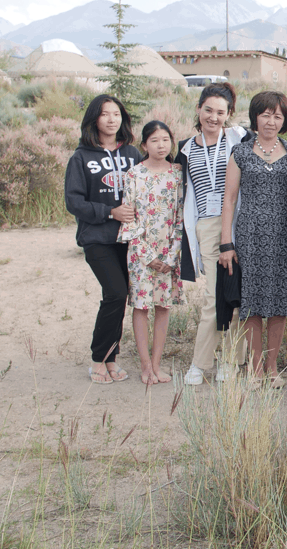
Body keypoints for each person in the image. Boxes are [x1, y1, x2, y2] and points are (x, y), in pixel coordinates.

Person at [219, 91, 287, 388]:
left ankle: (272, 368)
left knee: (280, 303)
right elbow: (229, 200)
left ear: (285, 120)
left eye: (278, 116)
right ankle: (254, 369)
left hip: (285, 235)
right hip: (249, 235)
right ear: (255, 116)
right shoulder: (240, 152)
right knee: (253, 303)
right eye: (266, 114)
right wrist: (226, 243)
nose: (271, 121)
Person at [65, 95, 140, 384]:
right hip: (97, 237)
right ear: (94, 118)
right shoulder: (81, 157)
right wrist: (110, 212)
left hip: (128, 239)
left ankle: (111, 358)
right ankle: (98, 359)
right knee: (116, 293)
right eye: (105, 114)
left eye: (117, 114)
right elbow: (74, 202)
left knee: (120, 299)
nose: (112, 119)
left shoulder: (132, 154)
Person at [177, 83, 248, 386]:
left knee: (238, 296)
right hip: (207, 226)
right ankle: (200, 363)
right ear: (198, 109)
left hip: (239, 222)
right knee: (213, 297)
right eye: (208, 110)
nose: (214, 117)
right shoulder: (185, 148)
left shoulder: (239, 138)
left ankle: (231, 361)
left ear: (229, 114)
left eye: (221, 112)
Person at [118, 121, 184, 385]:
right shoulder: (134, 174)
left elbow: (180, 217)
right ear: (144, 145)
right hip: (140, 254)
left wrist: (170, 256)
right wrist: (149, 257)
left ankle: (157, 365)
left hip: (169, 254)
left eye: (166, 140)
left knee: (163, 307)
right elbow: (129, 218)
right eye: (155, 140)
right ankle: (145, 366)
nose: (161, 145)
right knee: (141, 307)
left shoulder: (177, 173)